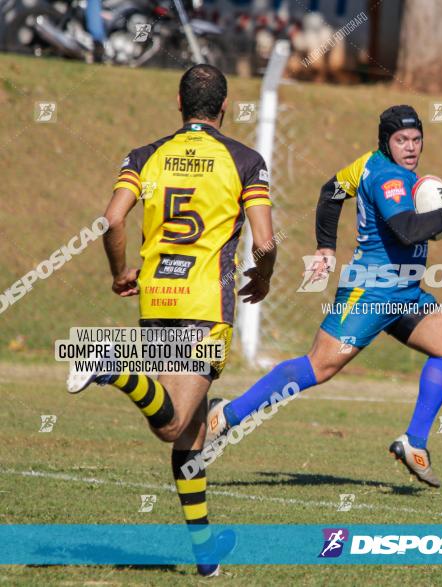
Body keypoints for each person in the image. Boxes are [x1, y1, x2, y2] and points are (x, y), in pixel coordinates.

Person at [66, 64, 277, 577]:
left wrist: (120, 274)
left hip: (157, 301)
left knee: (194, 431)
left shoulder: (145, 156)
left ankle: (205, 552)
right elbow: (265, 241)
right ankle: (108, 366)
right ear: (224, 108)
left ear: (179, 105)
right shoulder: (244, 160)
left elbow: (113, 219)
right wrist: (263, 277)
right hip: (205, 307)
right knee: (175, 425)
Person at [206, 105, 442, 488]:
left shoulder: (366, 164)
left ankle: (414, 442)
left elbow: (331, 192)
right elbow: (408, 230)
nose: (410, 148)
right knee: (319, 367)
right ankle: (225, 416)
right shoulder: (389, 177)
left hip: (406, 290)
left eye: (416, 139)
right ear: (386, 142)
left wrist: (326, 247)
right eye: (401, 140)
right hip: (372, 291)